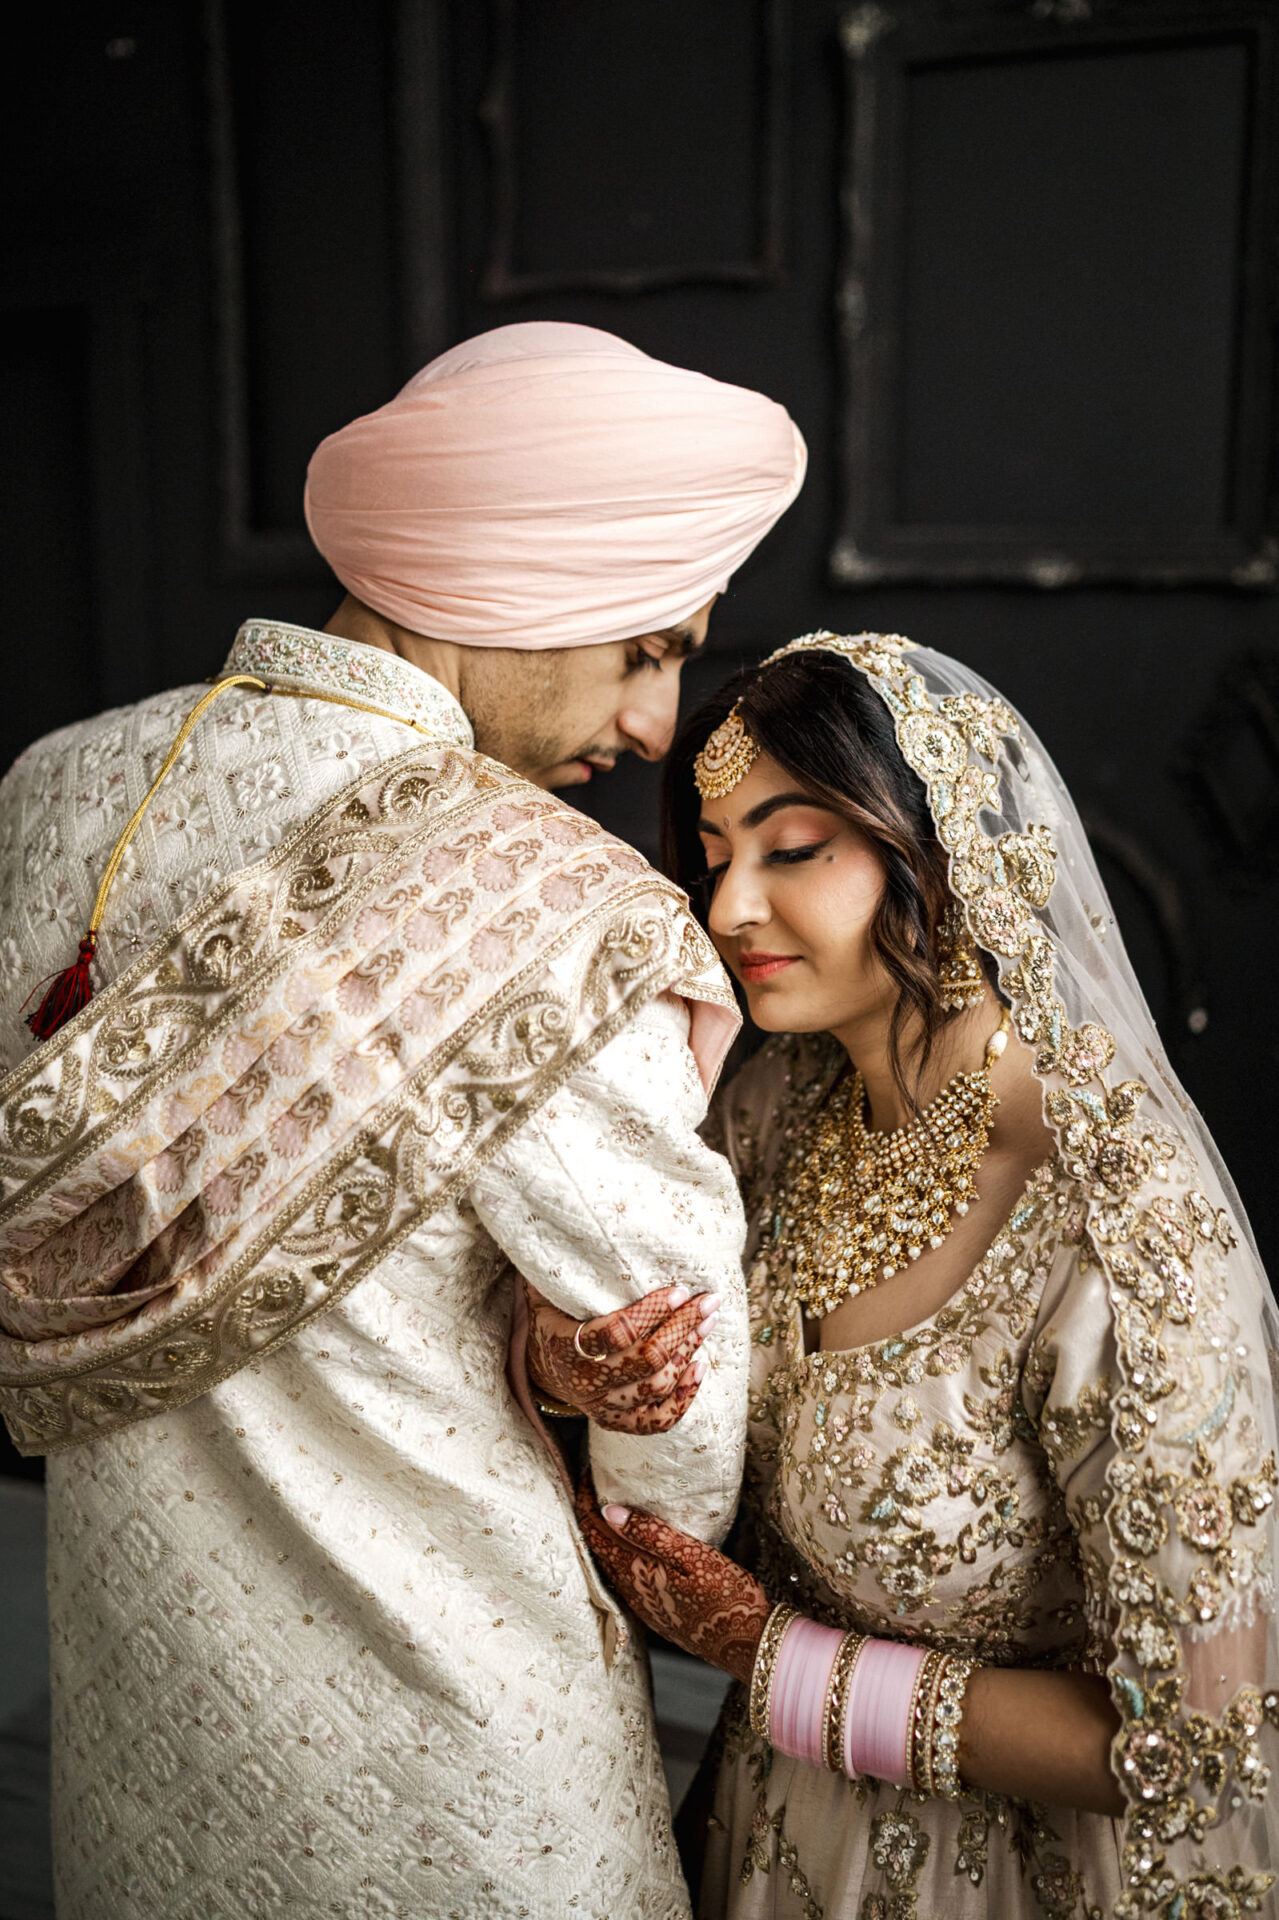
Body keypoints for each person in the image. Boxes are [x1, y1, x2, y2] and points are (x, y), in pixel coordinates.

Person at [0, 322, 806, 1919]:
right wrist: (660, 1523)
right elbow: (673, 1389)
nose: (658, 726)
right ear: (517, 586)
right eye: (647, 651)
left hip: (142, 1719)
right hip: (450, 1753)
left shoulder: (52, 791)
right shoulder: (551, 907)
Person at [532, 632, 1279, 1918]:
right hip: (763, 1842)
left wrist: (772, 1668)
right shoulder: (766, 1112)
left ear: (935, 847)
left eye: (792, 849)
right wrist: (566, 1366)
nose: (726, 910)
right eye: (712, 859)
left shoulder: (1109, 1213)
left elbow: (1208, 1743)